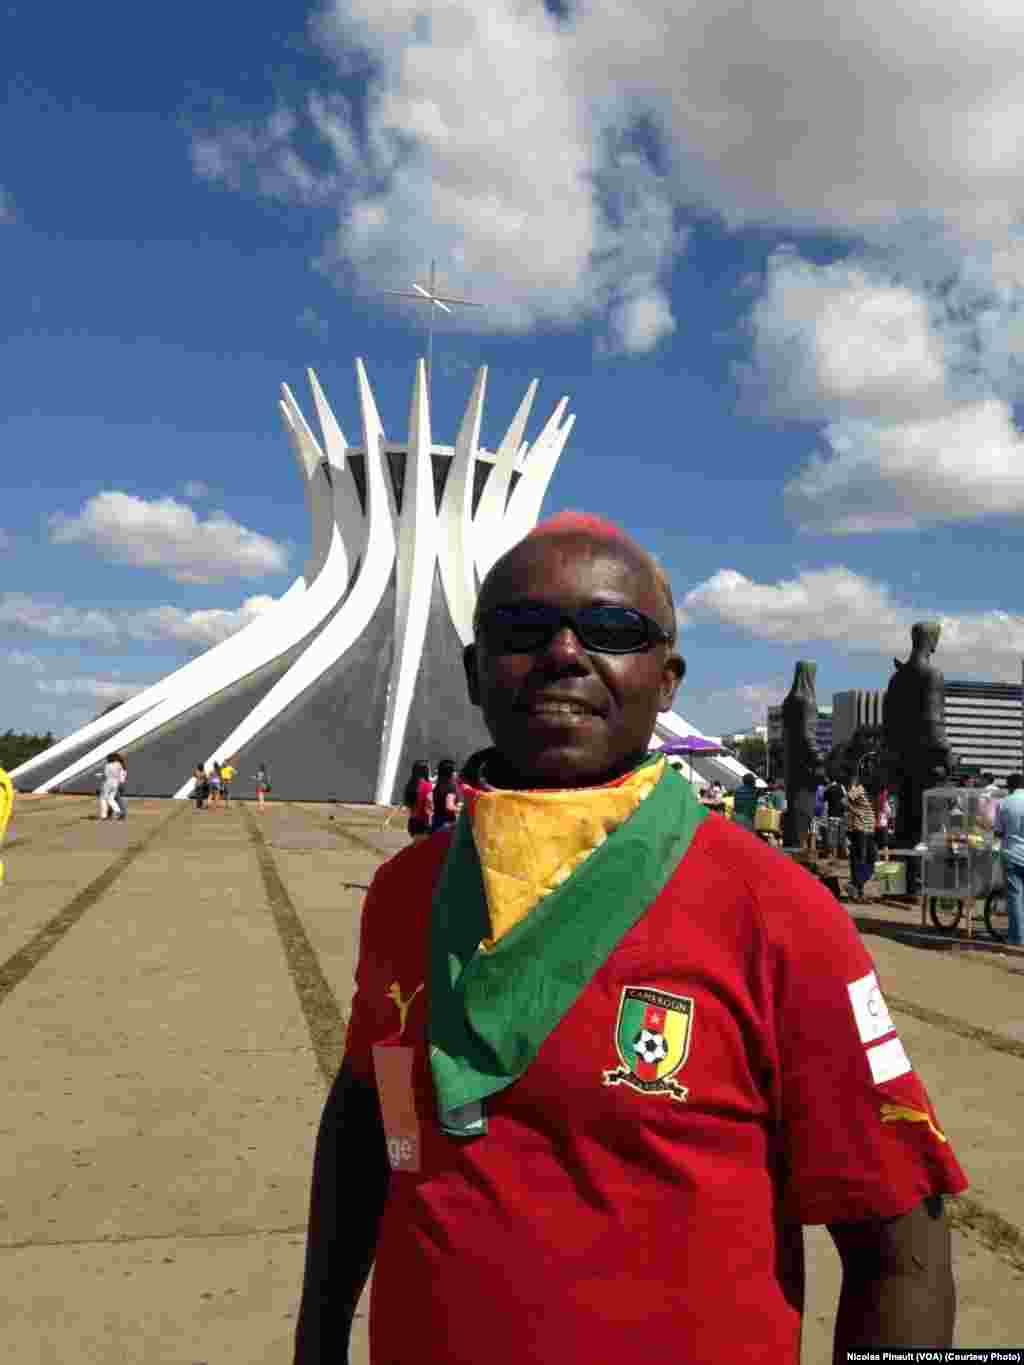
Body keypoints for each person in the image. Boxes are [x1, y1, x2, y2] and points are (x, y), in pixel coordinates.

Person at [294, 511, 964, 1365]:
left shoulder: (775, 910)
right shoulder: (403, 894)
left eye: (612, 629)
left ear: (667, 677)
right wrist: (317, 1339)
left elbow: (901, 1241)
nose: (564, 653)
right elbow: (377, 1117)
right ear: (473, 671)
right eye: (522, 629)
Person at [994, 773, 1024, 946]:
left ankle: (1017, 938)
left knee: (1015, 898)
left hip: (1012, 855)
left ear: (1009, 786)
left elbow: (998, 832)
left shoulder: (1004, 803)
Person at [846, 775, 878, 902]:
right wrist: (856, 812)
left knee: (872, 859)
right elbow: (844, 801)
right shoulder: (860, 788)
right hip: (860, 830)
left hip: (869, 831)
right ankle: (857, 891)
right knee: (860, 860)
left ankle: (854, 886)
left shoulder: (869, 792)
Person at [402, 761, 433, 839]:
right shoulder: (427, 786)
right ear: (425, 771)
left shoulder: (410, 785)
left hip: (412, 822)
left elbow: (407, 805)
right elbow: (428, 806)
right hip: (423, 823)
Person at [430, 759, 462, 833]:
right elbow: (449, 806)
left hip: (435, 821)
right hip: (446, 825)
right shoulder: (451, 787)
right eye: (455, 771)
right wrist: (462, 809)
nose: (456, 773)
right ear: (450, 773)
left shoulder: (438, 786)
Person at [825, 775, 847, 858]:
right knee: (840, 836)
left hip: (831, 816)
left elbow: (824, 800)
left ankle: (833, 856)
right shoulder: (841, 787)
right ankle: (840, 855)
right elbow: (845, 800)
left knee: (832, 836)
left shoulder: (828, 789)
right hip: (840, 816)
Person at [99, 753, 125, 821]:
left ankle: (103, 815)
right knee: (111, 798)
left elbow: (106, 775)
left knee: (103, 798)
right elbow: (121, 775)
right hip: (116, 783)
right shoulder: (119, 764)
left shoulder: (108, 765)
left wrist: (100, 775)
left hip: (108, 782)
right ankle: (117, 811)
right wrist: (121, 782)